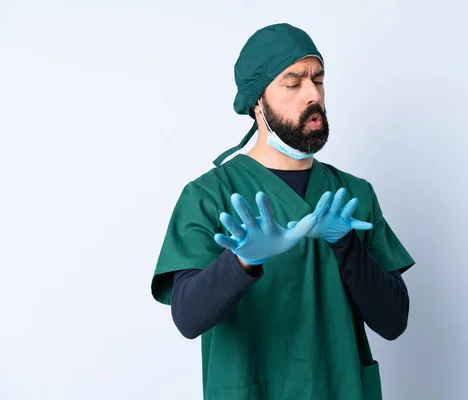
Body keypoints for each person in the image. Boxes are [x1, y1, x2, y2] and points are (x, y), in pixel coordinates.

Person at [151, 22, 415, 400]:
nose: (313, 94)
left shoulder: (353, 194)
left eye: (318, 80)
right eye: (293, 83)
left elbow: (393, 322)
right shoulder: (209, 196)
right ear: (257, 101)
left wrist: (347, 247)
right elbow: (188, 319)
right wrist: (241, 262)